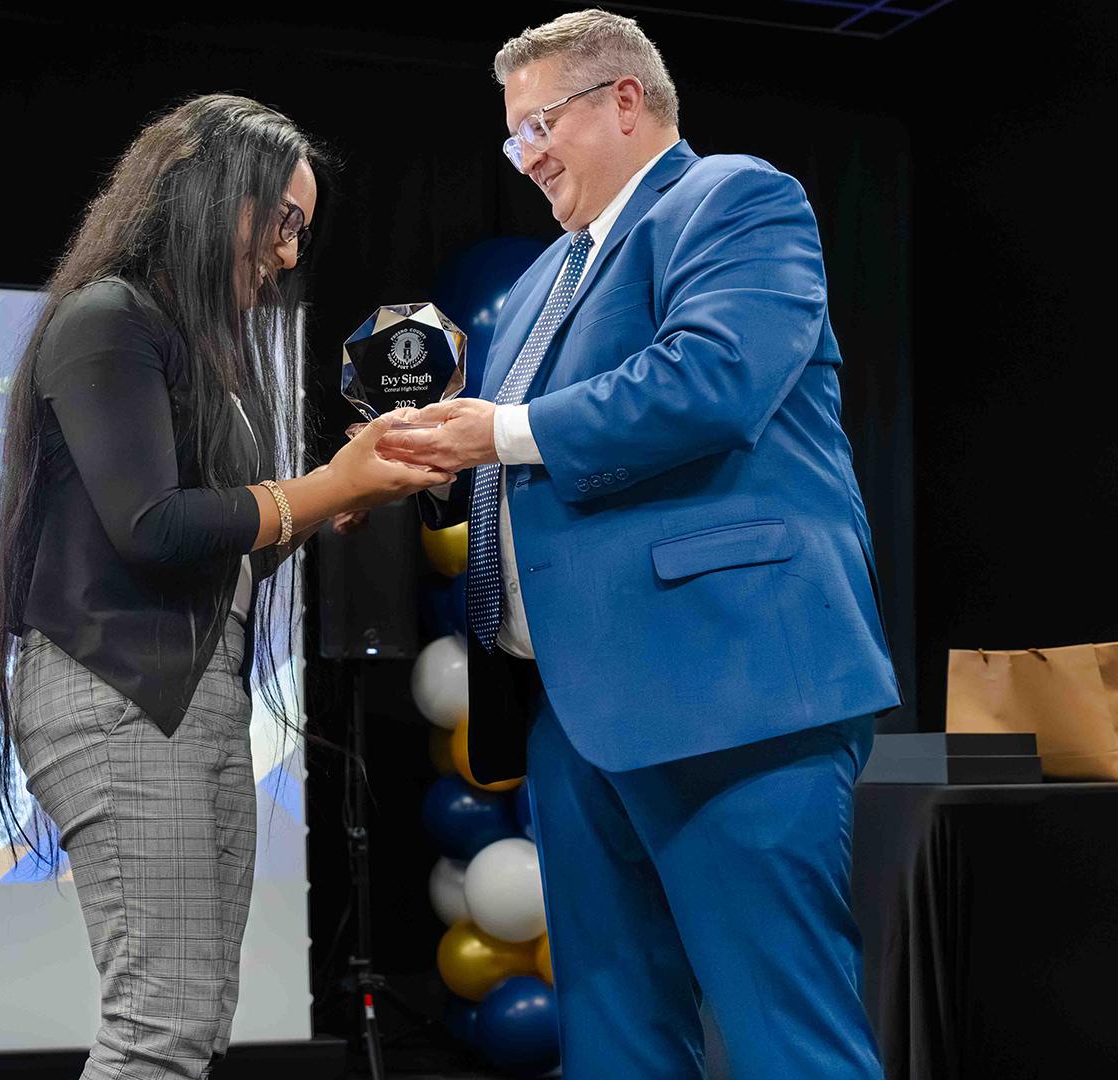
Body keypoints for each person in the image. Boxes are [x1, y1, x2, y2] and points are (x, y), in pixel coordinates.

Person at [379, 10, 899, 1077]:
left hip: (732, 692)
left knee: (783, 1037)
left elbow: (715, 379)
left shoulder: (737, 200)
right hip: (573, 713)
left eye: (540, 125)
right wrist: (425, 463)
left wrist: (501, 431)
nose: (526, 158)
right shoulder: (534, 285)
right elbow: (507, 460)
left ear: (625, 101)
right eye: (512, 138)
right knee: (613, 1049)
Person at [0, 94, 451, 1079]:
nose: (287, 257)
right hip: (118, 696)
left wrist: (333, 500)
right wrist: (323, 486)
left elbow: (219, 546)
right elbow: (152, 528)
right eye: (279, 222)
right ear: (204, 194)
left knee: (189, 1021)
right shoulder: (107, 321)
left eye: (301, 235)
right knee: (159, 1028)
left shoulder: (195, 353)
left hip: (188, 695)